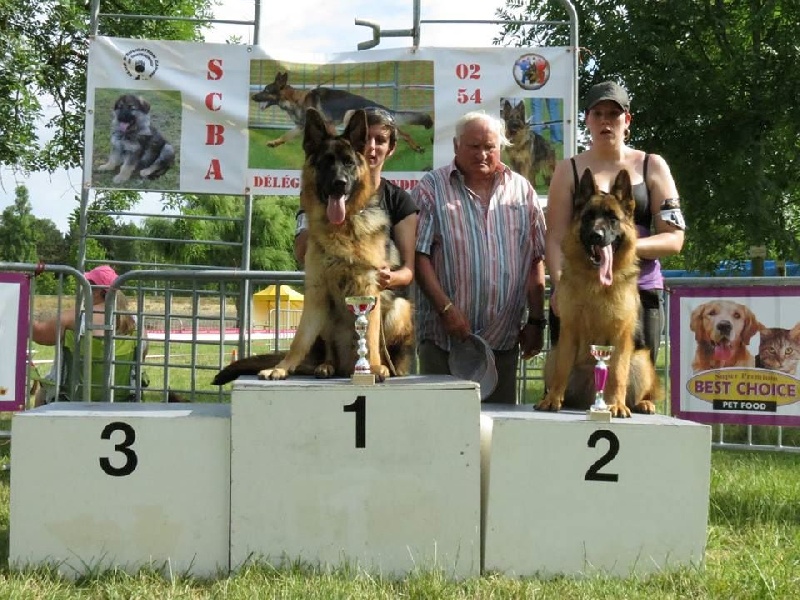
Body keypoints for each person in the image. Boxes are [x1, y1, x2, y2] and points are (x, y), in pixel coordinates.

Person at [545, 81, 686, 363]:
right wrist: (560, 286)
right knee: (567, 392)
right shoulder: (567, 170)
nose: (605, 121)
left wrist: (622, 248)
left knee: (632, 397)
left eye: (614, 113)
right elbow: (555, 238)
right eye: (597, 114)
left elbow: (674, 239)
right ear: (586, 120)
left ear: (627, 120)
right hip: (578, 296)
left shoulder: (652, 166)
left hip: (640, 293)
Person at [413, 110, 547, 404]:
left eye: (490, 147)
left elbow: (536, 257)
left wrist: (537, 321)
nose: (483, 154)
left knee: (497, 434)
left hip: (503, 339)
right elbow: (418, 257)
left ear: (501, 148)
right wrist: (446, 309)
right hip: (443, 339)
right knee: (441, 428)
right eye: (474, 146)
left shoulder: (522, 191)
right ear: (456, 146)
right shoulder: (431, 188)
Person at [294, 107, 418, 294]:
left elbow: (408, 271)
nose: (371, 147)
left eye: (381, 141)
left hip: (376, 300)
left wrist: (388, 277)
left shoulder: (400, 200)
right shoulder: (317, 195)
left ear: (391, 149)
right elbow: (302, 252)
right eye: (366, 138)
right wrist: (313, 214)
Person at [31, 265, 137, 406]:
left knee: (43, 390)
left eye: (85, 286)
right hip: (120, 402)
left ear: (97, 291)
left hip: (70, 400)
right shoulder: (136, 324)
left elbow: (38, 333)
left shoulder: (75, 318)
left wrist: (19, 304)